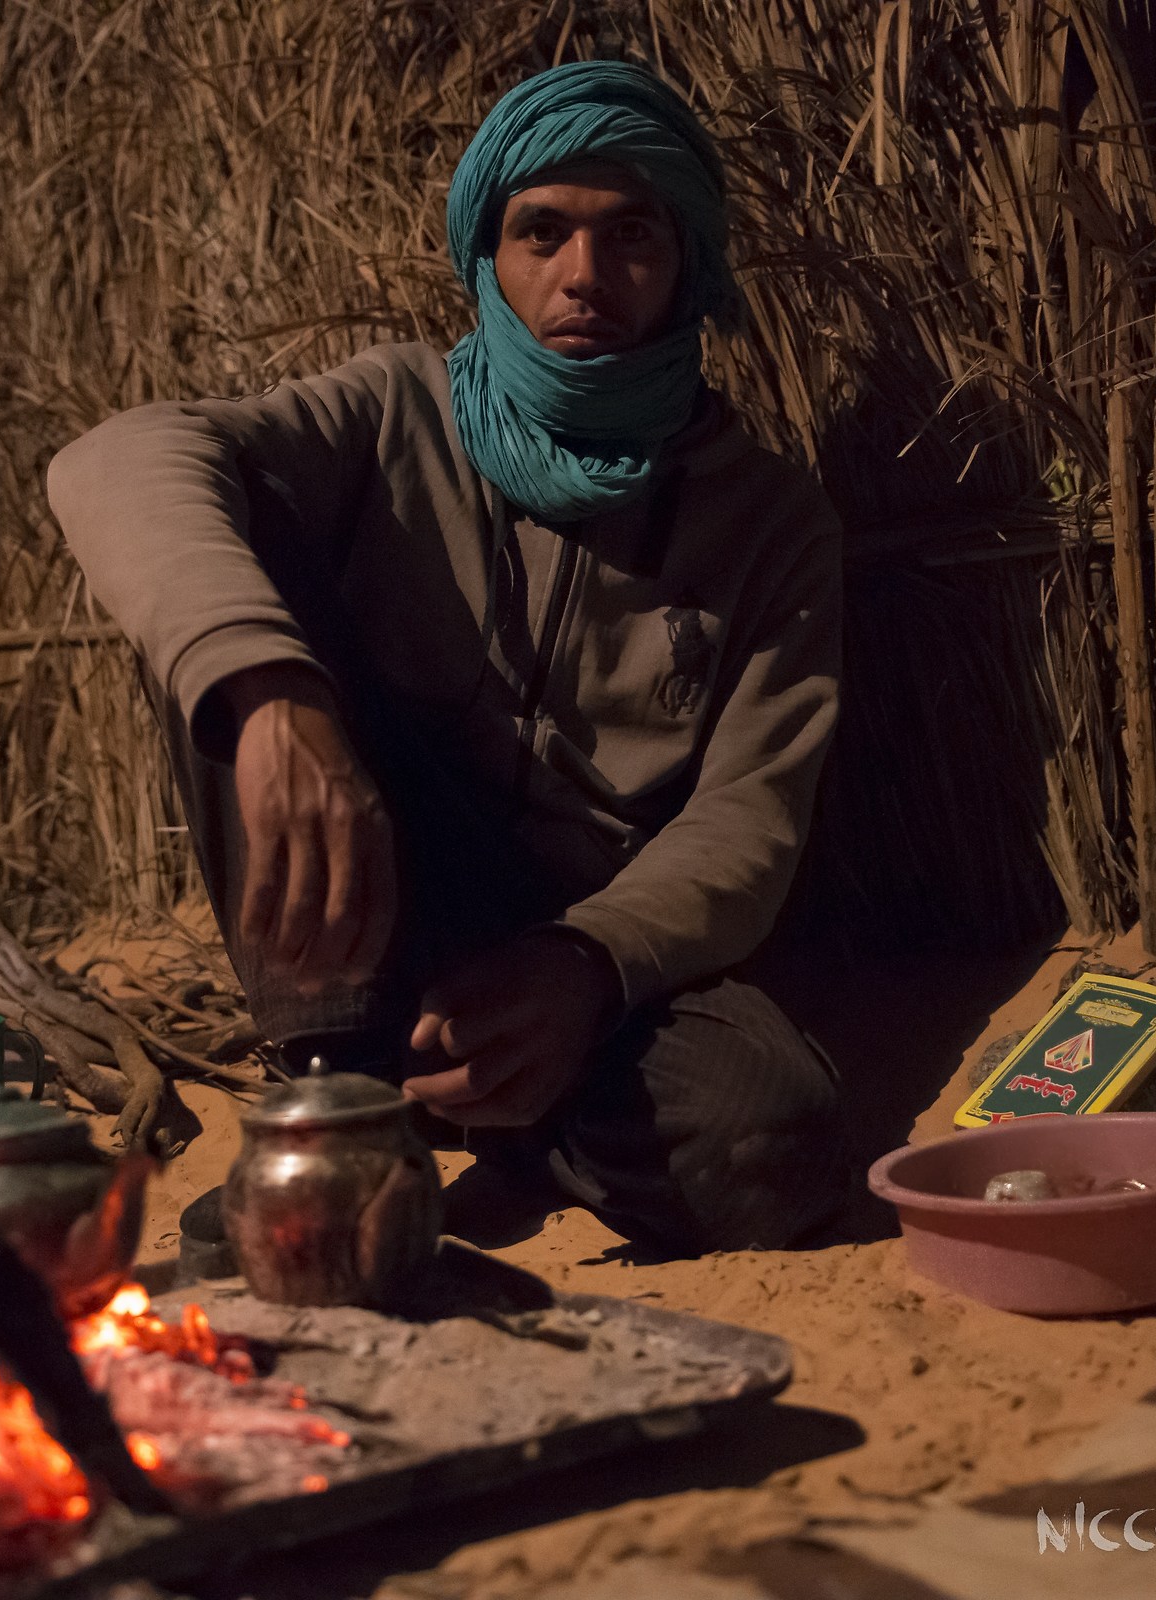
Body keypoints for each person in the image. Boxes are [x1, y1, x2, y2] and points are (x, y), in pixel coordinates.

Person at [47, 60, 847, 1256]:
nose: (584, 276)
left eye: (632, 234)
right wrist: (273, 694)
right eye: (542, 233)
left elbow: (750, 815)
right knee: (225, 585)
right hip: (380, 878)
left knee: (771, 1135)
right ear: (489, 256)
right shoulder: (392, 414)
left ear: (689, 263)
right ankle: (344, 1106)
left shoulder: (767, 519)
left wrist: (587, 967)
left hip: (594, 944)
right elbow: (114, 459)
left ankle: (514, 1107)